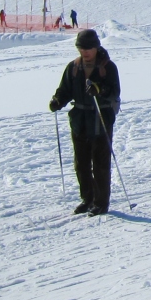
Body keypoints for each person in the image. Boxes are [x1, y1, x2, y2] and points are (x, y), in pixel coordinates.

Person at [49, 29, 120, 215]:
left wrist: (100, 90)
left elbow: (114, 92)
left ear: (96, 47)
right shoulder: (73, 67)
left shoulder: (108, 67)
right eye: (81, 48)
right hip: (79, 120)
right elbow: (65, 90)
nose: (85, 52)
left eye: (88, 48)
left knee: (100, 164)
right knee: (81, 164)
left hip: (100, 119)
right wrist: (58, 101)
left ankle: (101, 202)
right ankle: (87, 199)